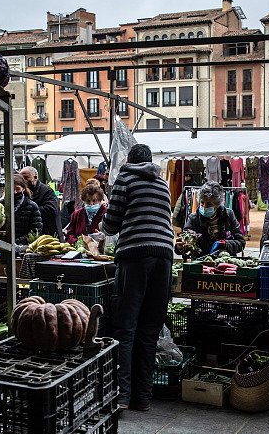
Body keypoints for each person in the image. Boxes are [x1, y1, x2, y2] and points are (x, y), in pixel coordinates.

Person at [102, 143, 174, 412]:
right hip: (164, 256)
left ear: (130, 161)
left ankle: (122, 396)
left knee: (127, 327)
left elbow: (111, 223)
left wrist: (102, 226)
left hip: (135, 255)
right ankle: (142, 398)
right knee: (150, 330)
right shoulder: (162, 183)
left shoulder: (125, 177)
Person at [179, 181, 246, 257]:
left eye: (209, 204)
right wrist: (180, 247)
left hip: (226, 262)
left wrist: (225, 244)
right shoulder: (193, 218)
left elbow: (241, 243)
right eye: (202, 203)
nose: (204, 207)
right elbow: (185, 244)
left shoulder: (228, 215)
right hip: (202, 263)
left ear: (217, 205)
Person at [19, 166, 60, 238]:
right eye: (22, 178)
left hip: (48, 236)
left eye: (26, 178)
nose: (24, 181)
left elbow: (52, 210)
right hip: (30, 236)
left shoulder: (47, 191)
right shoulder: (22, 193)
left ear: (35, 177)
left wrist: (30, 211)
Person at [11, 173, 43, 244]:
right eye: (12, 189)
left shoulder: (32, 206)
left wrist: (16, 242)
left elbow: (36, 232)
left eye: (18, 189)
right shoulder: (2, 205)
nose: (15, 192)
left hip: (24, 247)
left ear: (23, 189)